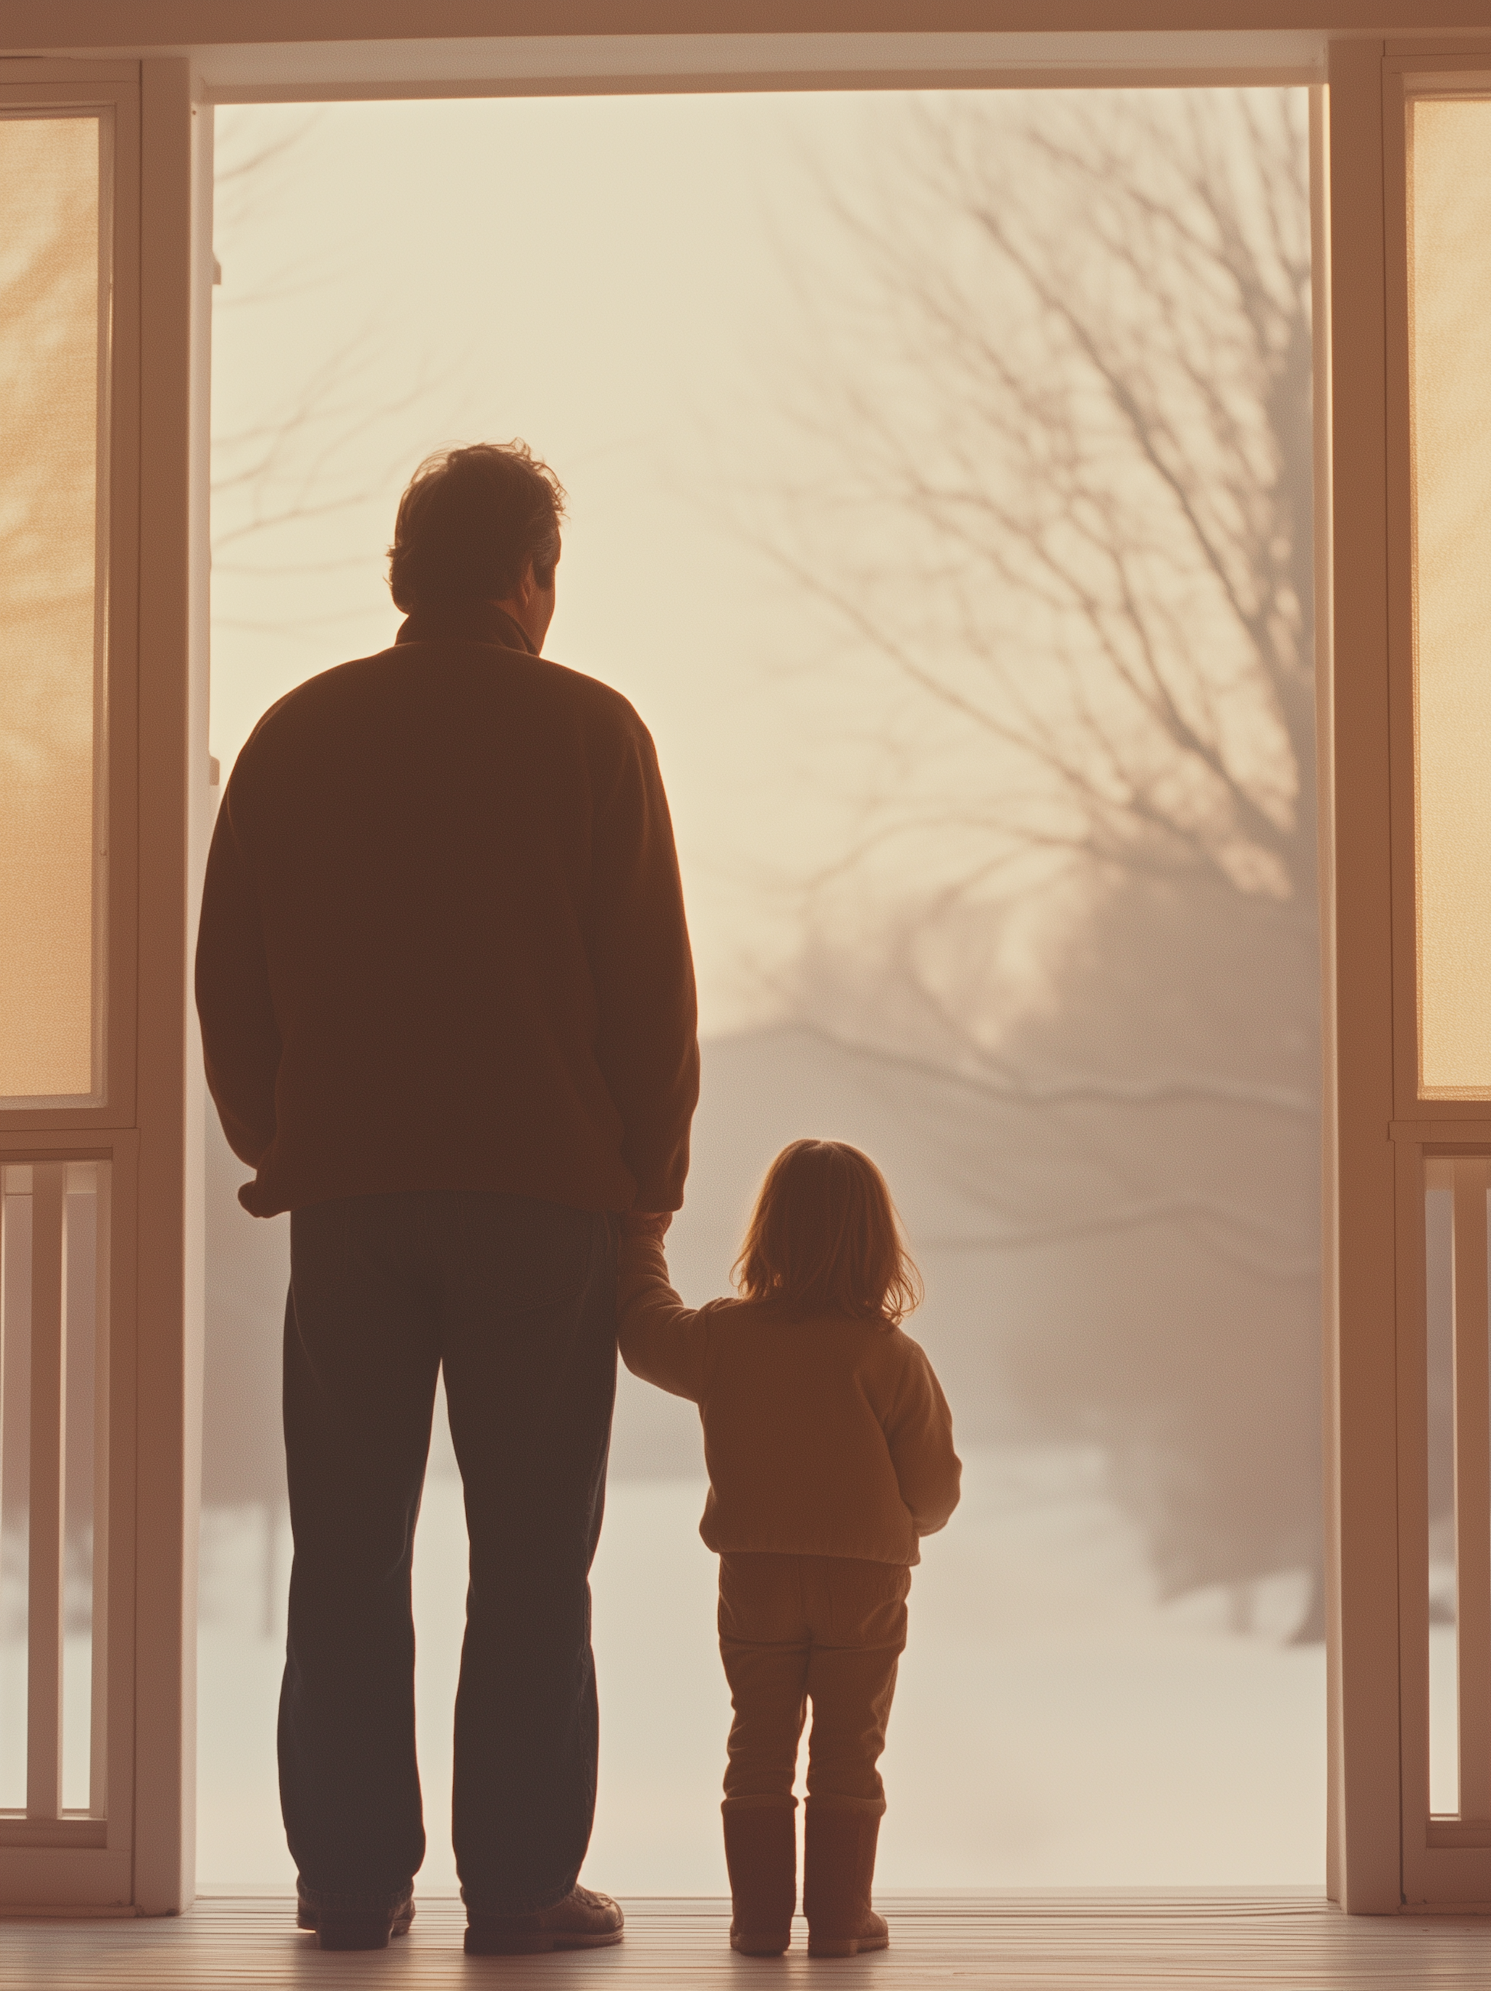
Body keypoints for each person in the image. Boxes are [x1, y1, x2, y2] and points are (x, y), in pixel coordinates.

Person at [195, 442, 699, 1955]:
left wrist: (285, 1135)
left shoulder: (298, 733)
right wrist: (649, 1191)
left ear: (404, 573)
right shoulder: (595, 733)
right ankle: (523, 1880)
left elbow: (231, 979)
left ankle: (350, 1878)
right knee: (534, 1546)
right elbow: (647, 994)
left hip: (351, 1193)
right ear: (532, 573)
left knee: (346, 1542)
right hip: (542, 1196)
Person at [616, 1139, 961, 1958]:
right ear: (879, 1244)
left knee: (759, 1742)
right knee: (850, 1746)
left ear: (766, 1233)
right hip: (866, 1582)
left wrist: (640, 1238)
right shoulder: (890, 1357)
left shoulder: (725, 1339)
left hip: (756, 1575)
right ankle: (842, 1919)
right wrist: (903, 1522)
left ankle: (760, 1921)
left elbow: (640, 1330)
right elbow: (937, 1488)